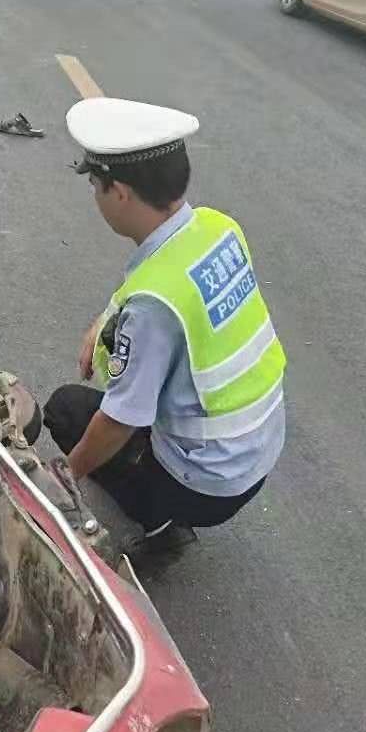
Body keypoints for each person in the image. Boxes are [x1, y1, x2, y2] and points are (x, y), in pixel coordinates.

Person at [44, 97, 286, 559]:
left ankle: (163, 525)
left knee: (67, 411)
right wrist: (106, 317)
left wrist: (64, 477)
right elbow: (164, 276)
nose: (94, 196)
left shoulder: (154, 307)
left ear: (119, 193)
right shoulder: (217, 226)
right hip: (257, 451)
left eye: (95, 184)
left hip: (209, 485)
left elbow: (120, 420)